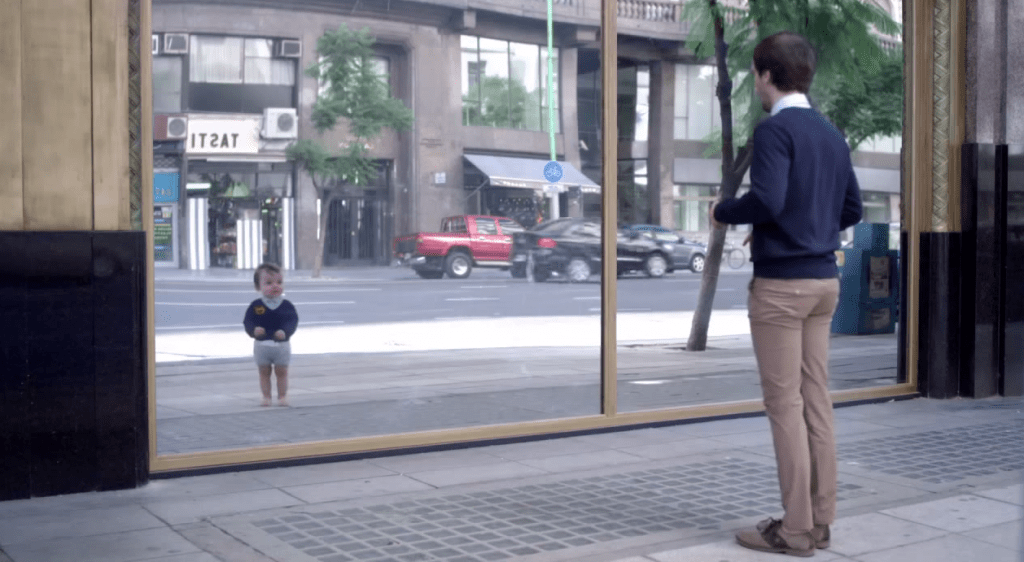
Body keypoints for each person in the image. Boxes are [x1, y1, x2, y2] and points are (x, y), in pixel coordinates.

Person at [710, 31, 863, 557]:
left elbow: (768, 198)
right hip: (824, 284)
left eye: (756, 74)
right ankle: (820, 522)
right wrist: (804, 228)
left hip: (781, 290)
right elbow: (851, 211)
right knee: (816, 401)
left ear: (765, 74)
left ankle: (794, 530)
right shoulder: (831, 133)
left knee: (784, 406)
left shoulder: (775, 131)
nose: (755, 83)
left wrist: (724, 211)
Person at [243, 262, 299, 407]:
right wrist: (253, 330)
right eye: (269, 283)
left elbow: (292, 320)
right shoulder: (256, 305)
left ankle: (282, 396)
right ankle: (266, 396)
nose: (275, 286)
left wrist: (285, 331)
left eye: (279, 282)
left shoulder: (286, 305)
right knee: (264, 372)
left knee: (282, 371)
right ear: (258, 287)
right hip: (262, 345)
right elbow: (248, 321)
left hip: (281, 345)